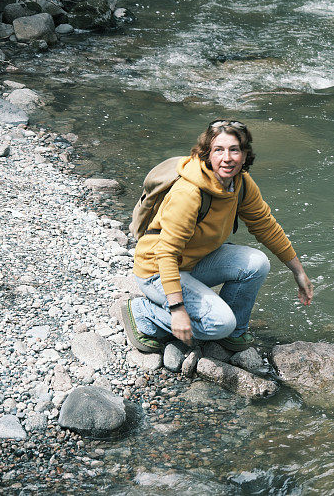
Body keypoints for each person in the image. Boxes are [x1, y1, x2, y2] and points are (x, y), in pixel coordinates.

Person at [119, 119, 313, 353]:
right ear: (207, 154)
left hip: (194, 262)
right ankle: (144, 313)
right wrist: (178, 309)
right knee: (219, 323)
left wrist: (298, 272)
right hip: (157, 270)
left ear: (244, 154)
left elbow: (266, 226)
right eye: (218, 150)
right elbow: (166, 253)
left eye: (234, 149)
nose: (227, 158)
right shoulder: (189, 193)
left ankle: (233, 333)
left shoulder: (240, 183)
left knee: (257, 263)